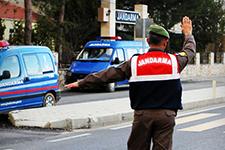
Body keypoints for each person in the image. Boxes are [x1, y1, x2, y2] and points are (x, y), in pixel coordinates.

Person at [65, 16, 196, 150]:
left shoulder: (134, 63)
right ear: (166, 42)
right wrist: (188, 34)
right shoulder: (175, 61)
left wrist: (82, 82)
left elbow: (108, 74)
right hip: (166, 116)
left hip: (142, 116)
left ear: (147, 41)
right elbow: (190, 51)